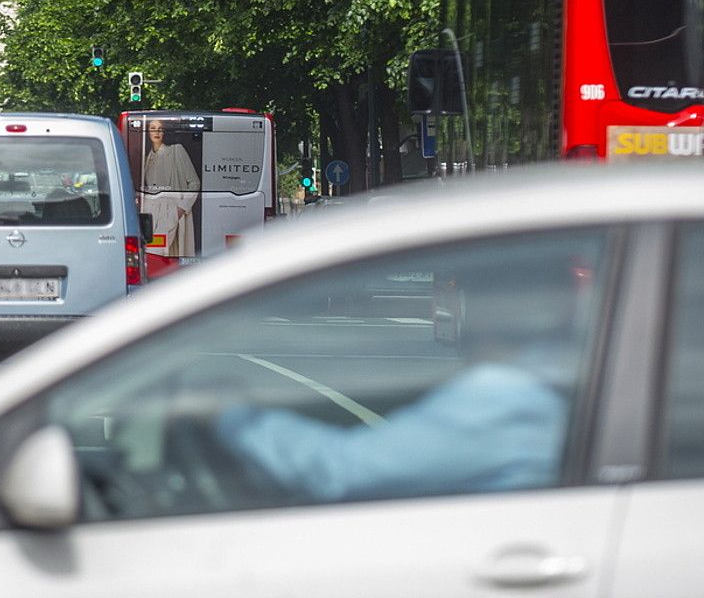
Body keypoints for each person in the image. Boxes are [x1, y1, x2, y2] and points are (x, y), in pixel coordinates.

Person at [208, 260, 585, 503]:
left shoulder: (505, 397)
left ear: (485, 308)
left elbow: (342, 471)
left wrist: (232, 413)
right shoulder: (569, 374)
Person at [139, 119, 200, 257]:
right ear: (148, 132)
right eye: (153, 128)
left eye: (160, 128)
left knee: (156, 252)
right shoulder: (146, 159)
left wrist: (180, 209)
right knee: (149, 255)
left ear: (164, 132)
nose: (157, 132)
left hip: (169, 211)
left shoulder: (175, 151)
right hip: (149, 214)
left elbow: (194, 182)